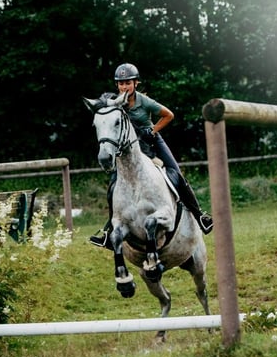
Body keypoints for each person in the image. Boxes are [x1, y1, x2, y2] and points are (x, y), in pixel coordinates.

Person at [89, 62, 213, 249]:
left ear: (136, 83)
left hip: (151, 141)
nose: (124, 87)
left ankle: (200, 216)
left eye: (128, 83)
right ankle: (109, 230)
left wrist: (153, 130)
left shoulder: (143, 101)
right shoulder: (116, 102)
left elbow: (169, 115)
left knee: (176, 174)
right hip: (130, 149)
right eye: (121, 83)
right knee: (114, 184)